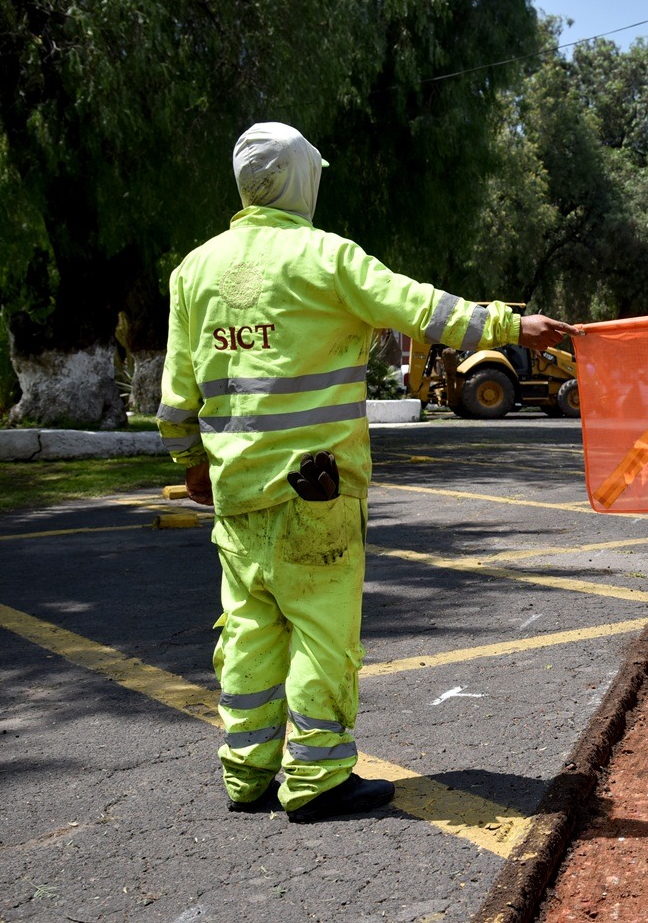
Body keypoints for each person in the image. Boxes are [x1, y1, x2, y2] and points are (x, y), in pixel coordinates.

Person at [157, 122, 578, 824]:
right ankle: (318, 778)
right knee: (322, 634)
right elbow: (423, 309)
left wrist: (190, 463)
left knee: (249, 633)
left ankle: (246, 772)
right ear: (301, 179)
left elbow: (176, 397)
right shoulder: (325, 259)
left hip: (235, 497)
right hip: (314, 492)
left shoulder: (194, 271)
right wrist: (510, 325)